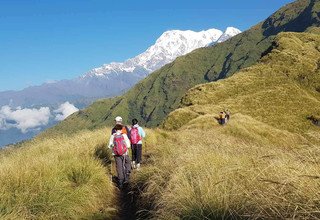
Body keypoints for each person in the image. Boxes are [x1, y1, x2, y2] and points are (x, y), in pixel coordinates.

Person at [108, 124, 131, 188]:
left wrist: (114, 146)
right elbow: (128, 145)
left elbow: (109, 146)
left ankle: (120, 182)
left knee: (119, 167)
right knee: (128, 163)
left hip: (116, 154)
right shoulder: (124, 135)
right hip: (124, 153)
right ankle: (127, 176)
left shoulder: (113, 136)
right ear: (121, 129)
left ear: (115, 129)